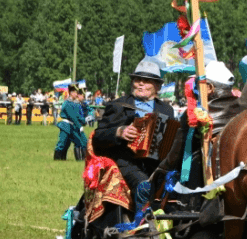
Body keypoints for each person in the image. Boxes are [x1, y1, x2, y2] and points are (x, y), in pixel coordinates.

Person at [92, 59, 175, 205]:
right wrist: (119, 132)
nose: (141, 83)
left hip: (158, 164)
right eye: (138, 79)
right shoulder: (118, 105)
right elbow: (97, 138)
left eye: (147, 80)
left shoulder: (167, 110)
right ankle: (142, 225)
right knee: (144, 186)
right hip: (128, 162)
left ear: (157, 86)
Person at [54, 87, 88, 160]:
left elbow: (77, 116)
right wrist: (79, 126)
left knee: (70, 143)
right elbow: (72, 116)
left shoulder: (73, 103)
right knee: (62, 143)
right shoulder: (67, 103)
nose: (76, 94)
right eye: (75, 92)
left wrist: (84, 120)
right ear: (71, 93)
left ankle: (64, 159)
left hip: (72, 125)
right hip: (66, 125)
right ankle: (57, 158)